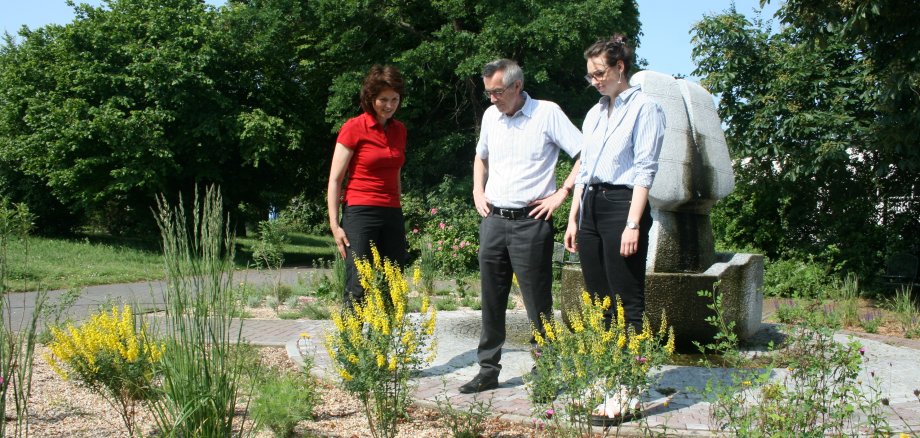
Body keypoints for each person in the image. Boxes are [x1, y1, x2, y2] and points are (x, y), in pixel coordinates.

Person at [460, 59, 582, 394]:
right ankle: (488, 371)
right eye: (488, 92)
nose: (492, 99)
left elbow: (585, 153)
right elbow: (480, 156)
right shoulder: (490, 117)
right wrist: (477, 190)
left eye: (497, 92)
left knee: (537, 303)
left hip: (532, 223)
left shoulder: (547, 113)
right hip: (494, 221)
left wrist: (562, 193)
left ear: (517, 86)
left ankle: (545, 372)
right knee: (491, 299)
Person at [564, 34, 665, 332]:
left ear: (619, 67)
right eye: (590, 75)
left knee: (627, 296)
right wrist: (573, 218)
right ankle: (604, 372)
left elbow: (645, 171)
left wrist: (632, 224)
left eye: (599, 73)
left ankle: (631, 375)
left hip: (622, 204)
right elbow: (584, 169)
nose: (594, 80)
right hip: (589, 206)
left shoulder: (646, 108)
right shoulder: (594, 113)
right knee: (598, 299)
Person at [327, 64, 408, 307]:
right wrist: (334, 225)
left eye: (395, 99)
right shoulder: (354, 127)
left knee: (393, 282)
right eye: (384, 99)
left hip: (392, 212)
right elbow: (335, 179)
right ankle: (353, 343)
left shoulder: (400, 130)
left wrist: (397, 206)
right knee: (358, 284)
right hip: (361, 212)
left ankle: (386, 344)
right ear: (370, 98)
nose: (390, 105)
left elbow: (396, 173)